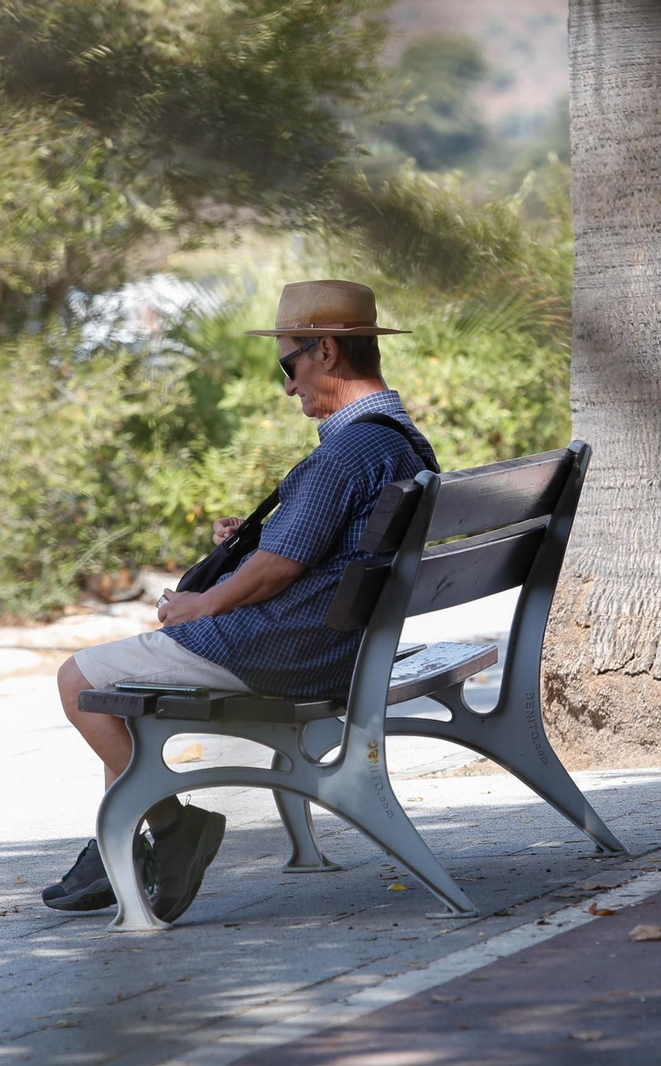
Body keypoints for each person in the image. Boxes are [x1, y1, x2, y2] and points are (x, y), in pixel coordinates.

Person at [42, 279, 439, 921]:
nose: (287, 386)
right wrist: (248, 549)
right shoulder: (400, 439)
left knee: (78, 678)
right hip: (343, 644)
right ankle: (115, 842)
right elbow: (312, 546)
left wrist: (203, 605)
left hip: (289, 650)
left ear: (327, 353)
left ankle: (171, 832)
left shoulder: (348, 448)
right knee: (132, 678)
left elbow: (280, 568)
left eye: (289, 364)